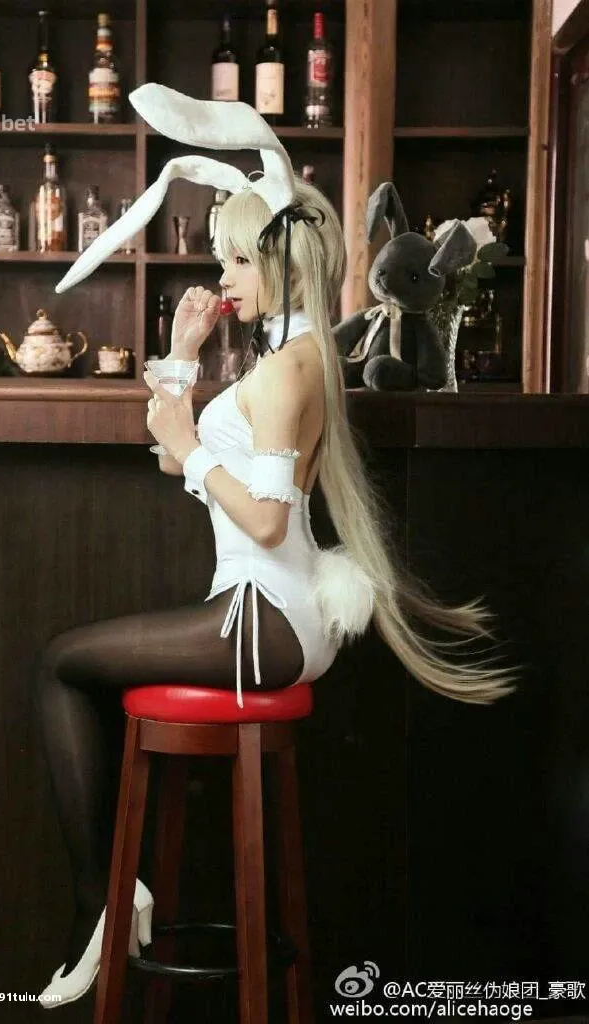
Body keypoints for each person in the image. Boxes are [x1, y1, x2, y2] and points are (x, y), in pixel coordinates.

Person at [35, 85, 518, 1008]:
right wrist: (181, 357)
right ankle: (109, 897)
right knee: (64, 662)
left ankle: (101, 901)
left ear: (279, 260)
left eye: (234, 260)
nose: (223, 276)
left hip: (266, 619)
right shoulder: (285, 359)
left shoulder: (290, 369)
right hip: (266, 612)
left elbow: (258, 518)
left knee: (58, 664)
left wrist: (186, 447)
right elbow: (177, 448)